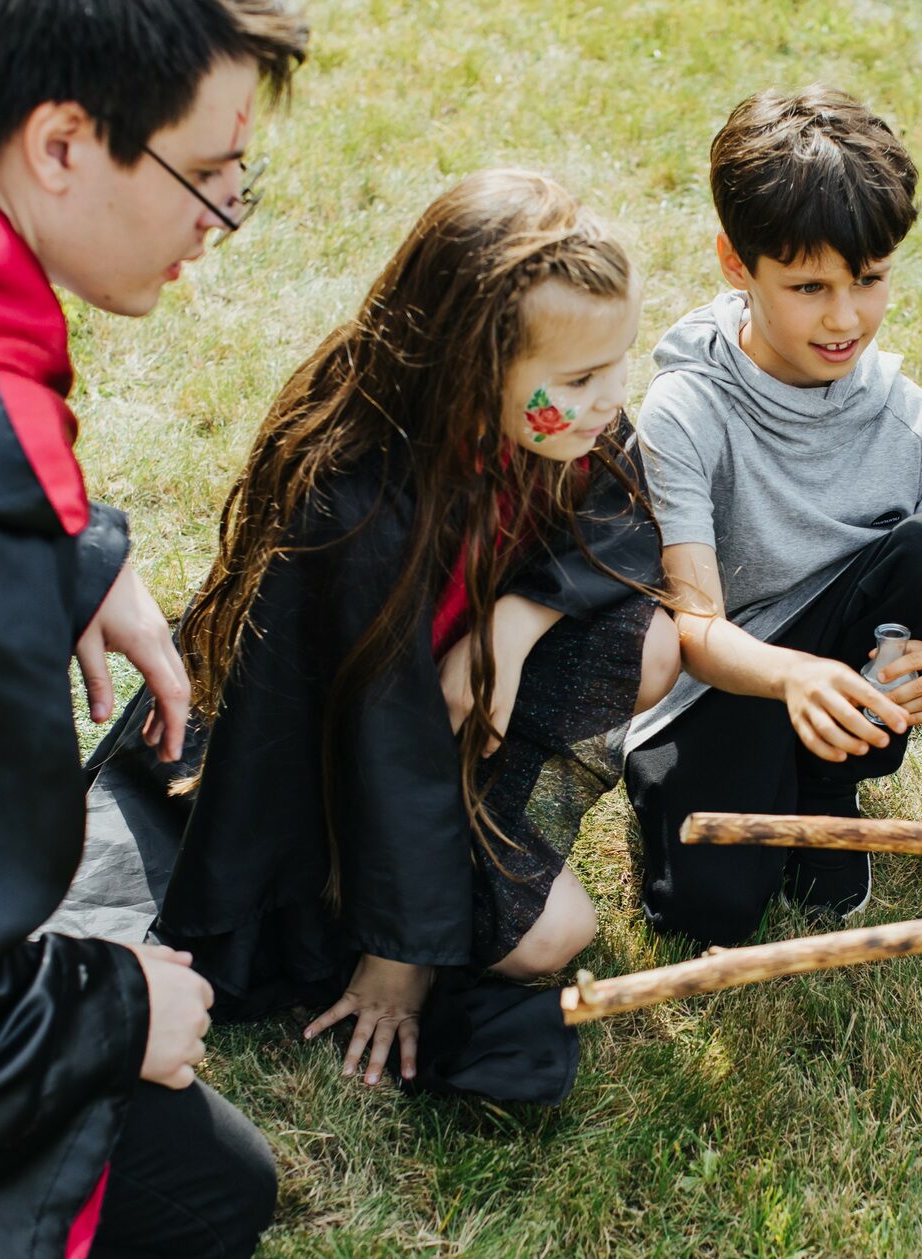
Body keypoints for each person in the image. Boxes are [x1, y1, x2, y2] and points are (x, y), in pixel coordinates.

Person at [0, 2, 307, 1256]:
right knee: (208, 1186)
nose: (222, 216)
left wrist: (79, 547)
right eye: (202, 173)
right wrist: (112, 1006)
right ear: (60, 144)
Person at [73, 168, 678, 1099]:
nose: (612, 399)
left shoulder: (562, 424)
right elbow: (383, 752)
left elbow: (623, 521)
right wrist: (402, 954)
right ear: (475, 373)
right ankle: (386, 915)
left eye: (622, 361)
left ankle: (474, 823)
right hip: (336, 767)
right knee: (553, 937)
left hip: (445, 703)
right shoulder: (354, 508)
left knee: (652, 643)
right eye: (585, 378)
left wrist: (512, 624)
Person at [626, 87, 922, 948]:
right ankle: (700, 789)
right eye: (808, 285)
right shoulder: (686, 410)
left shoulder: (908, 419)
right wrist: (793, 677)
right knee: (707, 913)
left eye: (868, 280)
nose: (845, 317)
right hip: (724, 684)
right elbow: (696, 628)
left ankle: (829, 784)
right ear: (736, 263)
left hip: (838, 676)